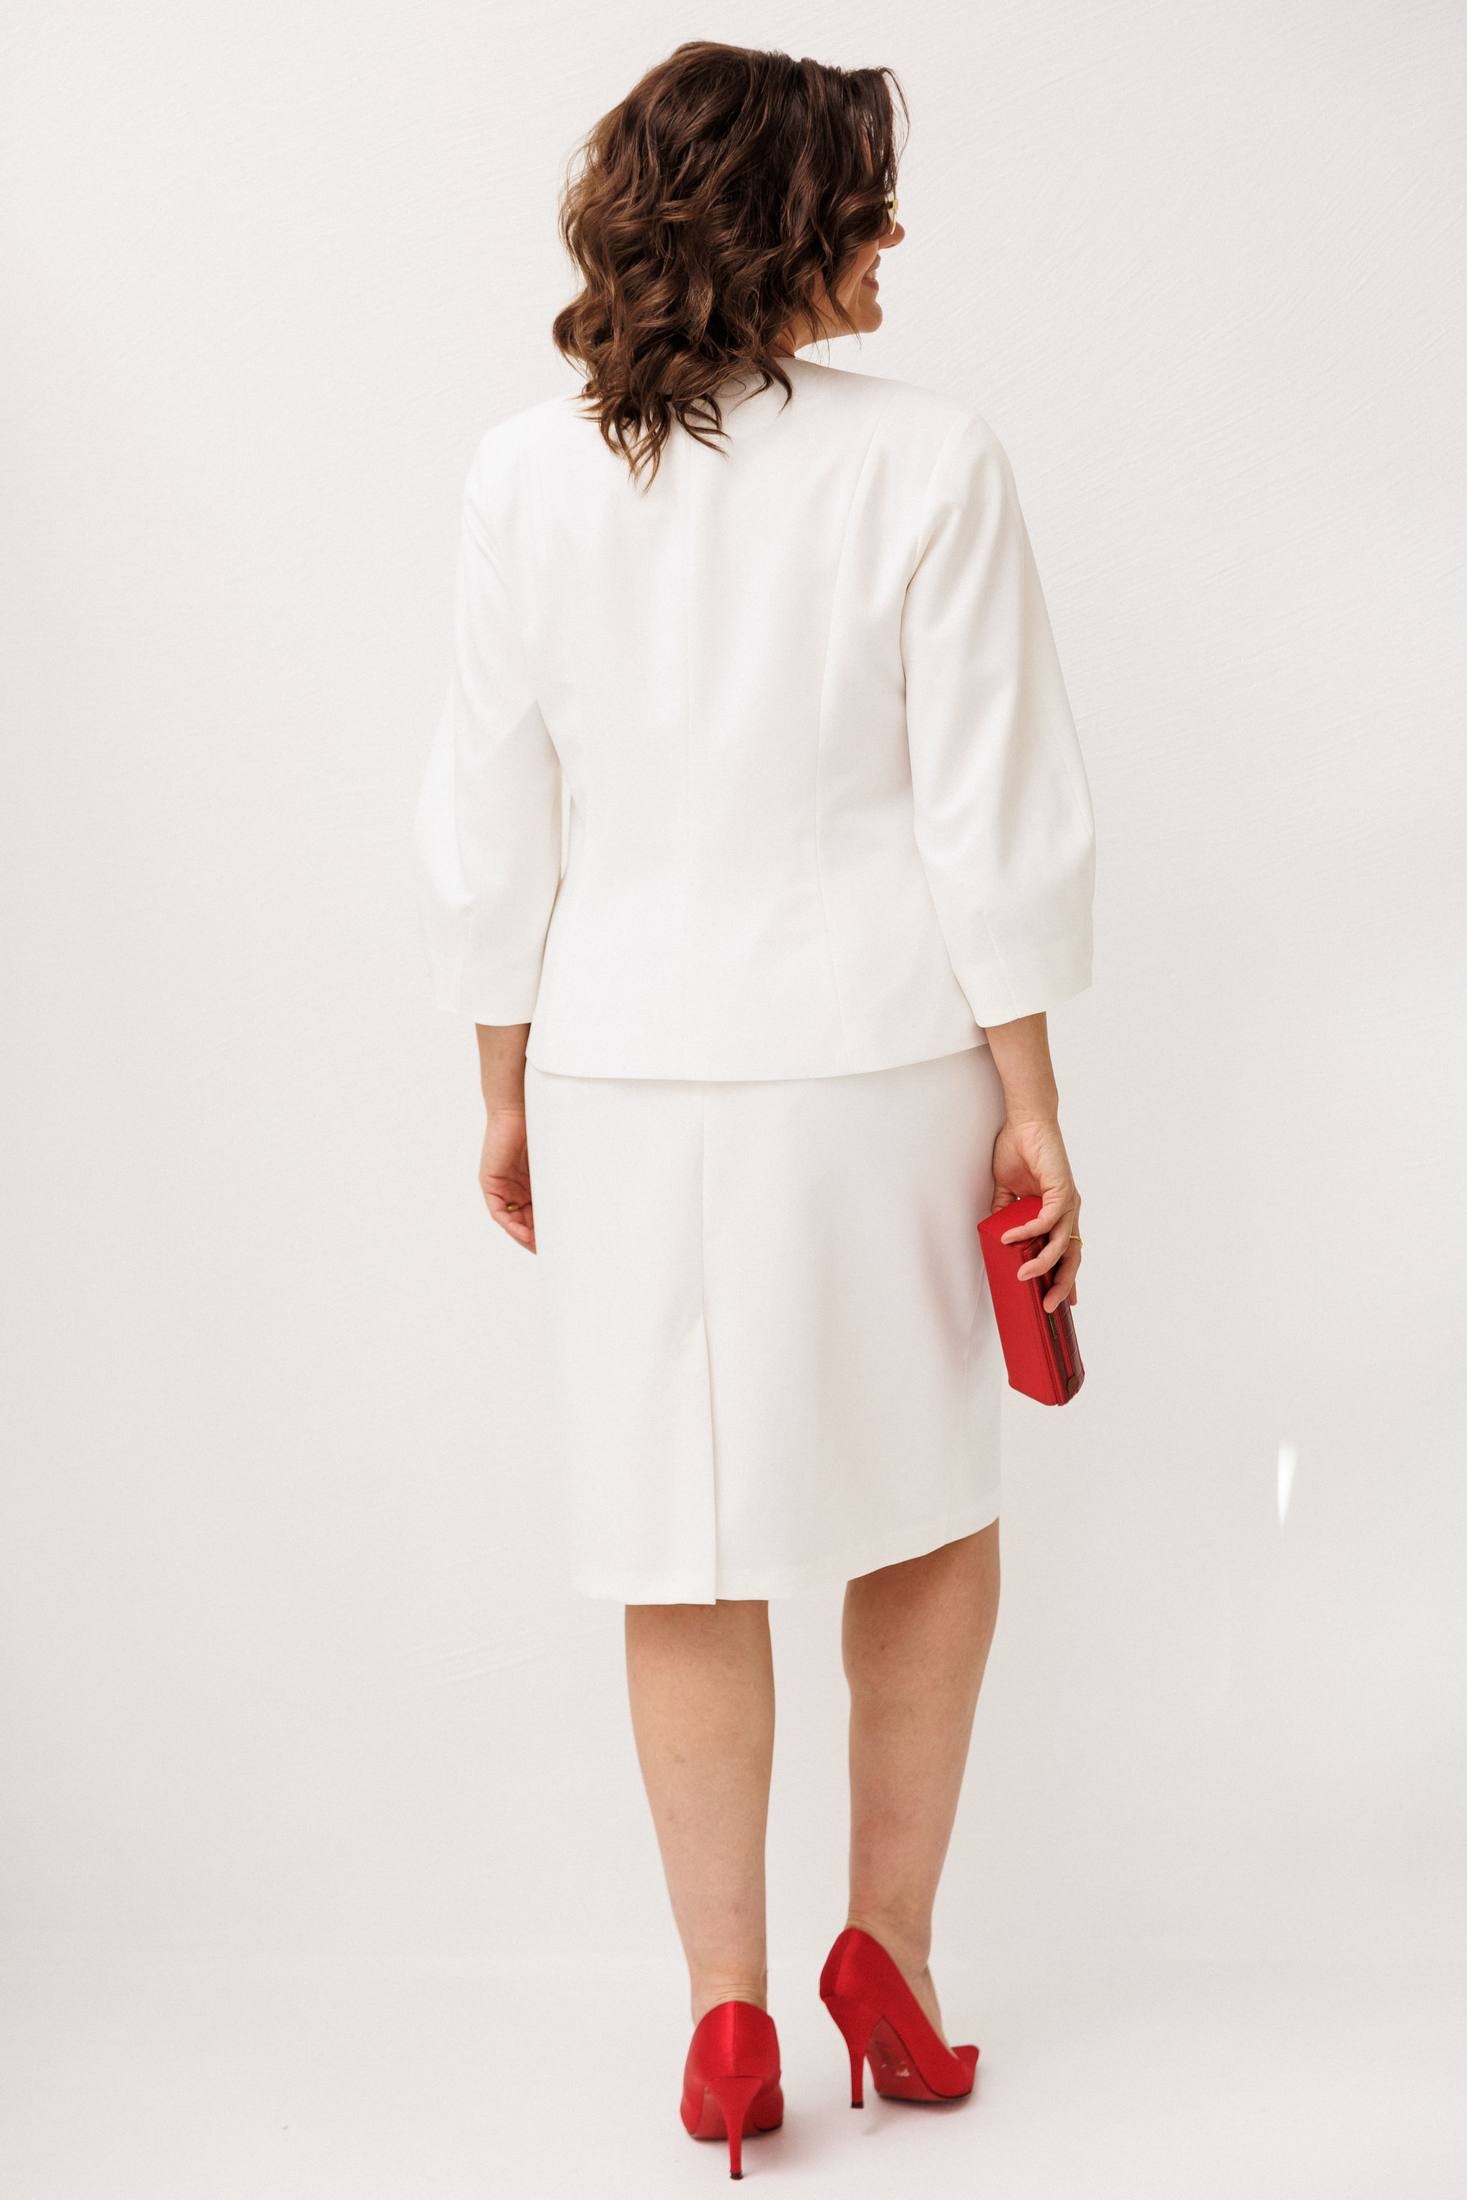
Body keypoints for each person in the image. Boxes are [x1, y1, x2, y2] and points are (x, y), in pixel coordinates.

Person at [412, 39, 1095, 2179]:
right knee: (927, 1506)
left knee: (677, 1539)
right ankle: (887, 1950)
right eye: (862, 201)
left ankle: (724, 2015)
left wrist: (503, 1077)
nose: (891, 236)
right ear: (781, 223)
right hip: (879, 1058)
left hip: (625, 1061)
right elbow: (991, 816)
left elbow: (488, 818)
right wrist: (1034, 1106)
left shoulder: (525, 475)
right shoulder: (928, 460)